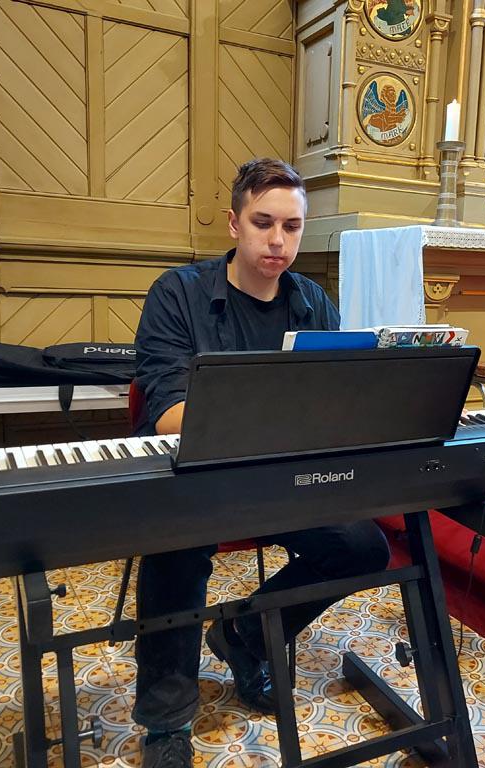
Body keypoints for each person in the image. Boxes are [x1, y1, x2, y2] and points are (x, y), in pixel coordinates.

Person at [131, 158, 391, 768]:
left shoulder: (312, 301)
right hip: (197, 477)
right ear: (234, 223)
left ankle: (244, 634)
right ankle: (167, 721)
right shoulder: (178, 294)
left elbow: (335, 403)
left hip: (283, 477)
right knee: (174, 547)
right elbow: (166, 414)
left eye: (292, 227)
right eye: (263, 222)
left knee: (363, 548)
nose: (278, 240)